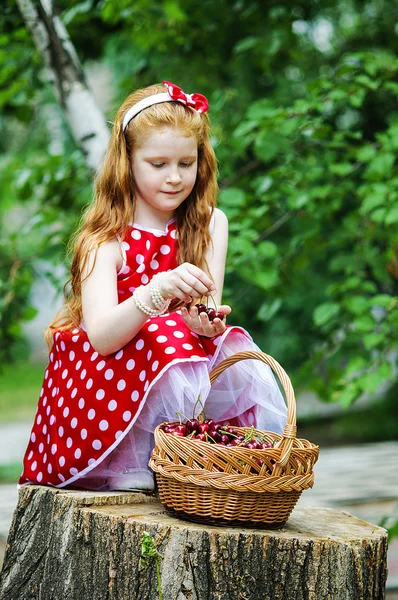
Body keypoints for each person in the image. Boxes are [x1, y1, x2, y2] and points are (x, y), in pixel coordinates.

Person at [18, 80, 287, 493]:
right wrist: (156, 292)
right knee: (163, 330)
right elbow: (103, 337)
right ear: (127, 161)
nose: (176, 177)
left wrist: (206, 325)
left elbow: (207, 308)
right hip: (98, 385)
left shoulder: (210, 223)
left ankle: (204, 458)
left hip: (171, 358)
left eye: (187, 163)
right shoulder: (105, 240)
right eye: (158, 164)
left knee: (235, 345)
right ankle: (139, 460)